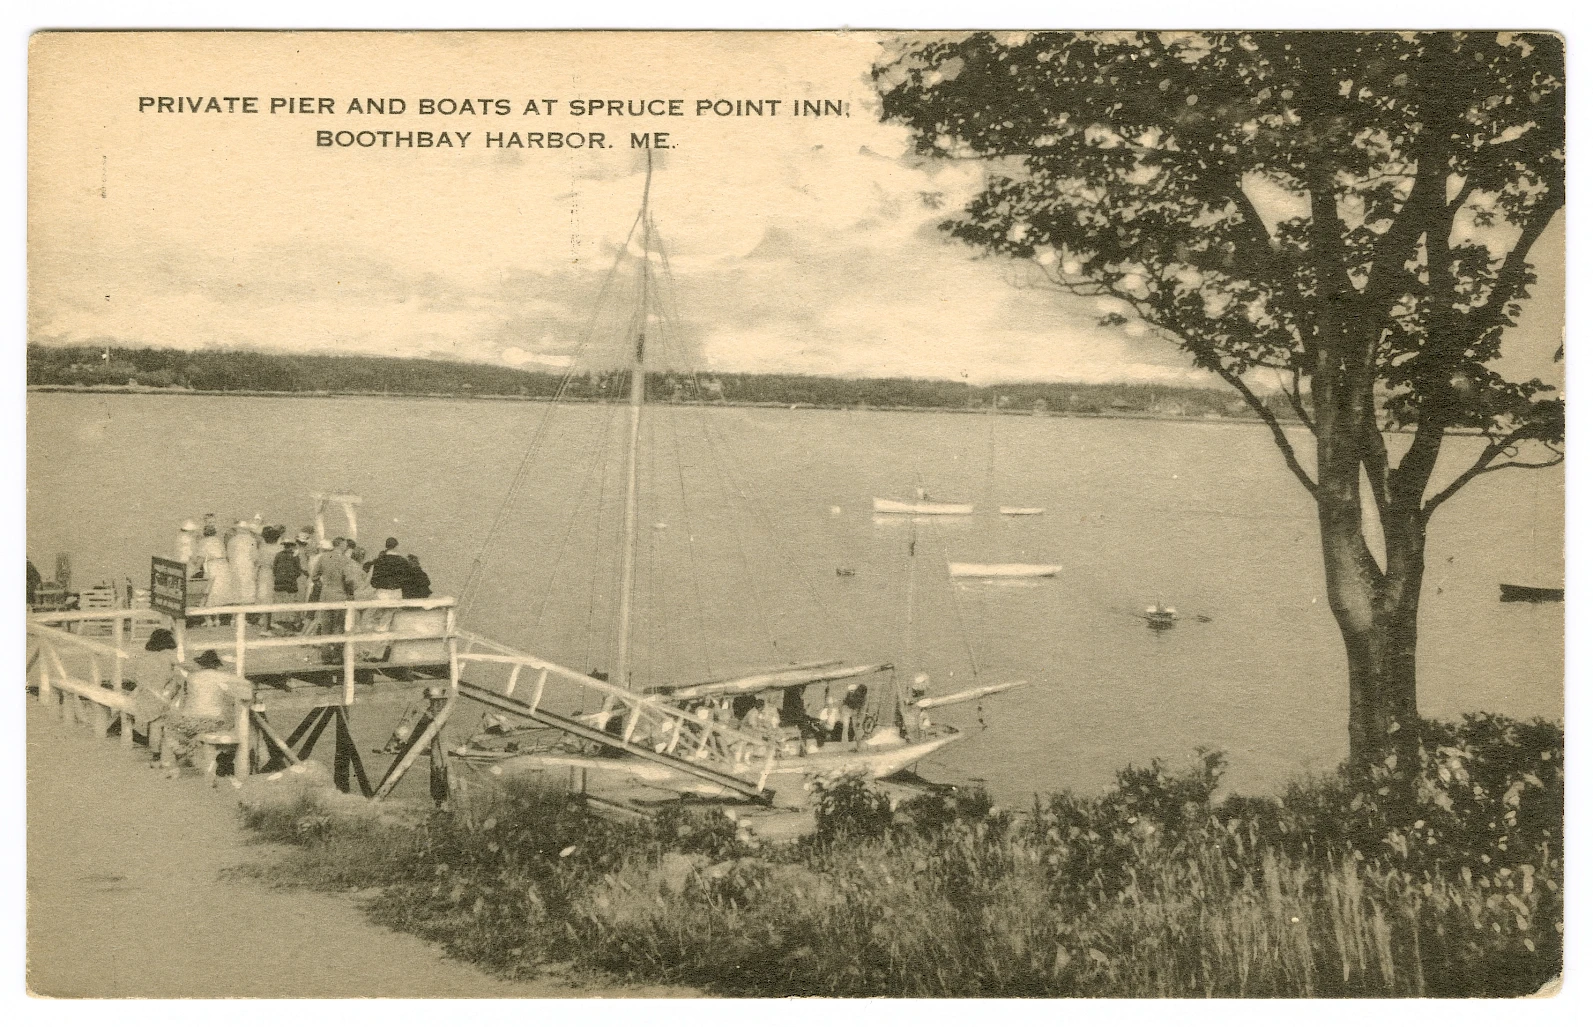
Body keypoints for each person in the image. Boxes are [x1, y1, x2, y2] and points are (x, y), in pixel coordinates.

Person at [365, 537, 409, 631]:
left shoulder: (379, 561)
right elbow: (406, 580)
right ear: (396, 546)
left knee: (372, 614)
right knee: (388, 616)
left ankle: (372, 631)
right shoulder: (403, 561)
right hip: (396, 592)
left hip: (381, 592)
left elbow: (374, 580)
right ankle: (382, 632)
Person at [198, 521, 234, 620]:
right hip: (223, 566)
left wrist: (194, 568)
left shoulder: (203, 542)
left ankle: (210, 619)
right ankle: (221, 618)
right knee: (222, 591)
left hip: (213, 566)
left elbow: (200, 558)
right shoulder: (218, 541)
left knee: (210, 592)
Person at [254, 526, 285, 629]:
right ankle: (271, 621)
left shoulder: (262, 548)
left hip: (263, 572)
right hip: (275, 573)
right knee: (273, 596)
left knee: (264, 596)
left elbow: (256, 562)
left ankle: (264, 619)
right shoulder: (280, 549)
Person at [228, 519, 257, 605]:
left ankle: (236, 611)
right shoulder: (251, 540)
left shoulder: (232, 541)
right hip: (248, 566)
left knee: (236, 588)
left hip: (235, 567)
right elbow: (254, 555)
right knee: (248, 588)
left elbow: (229, 556)